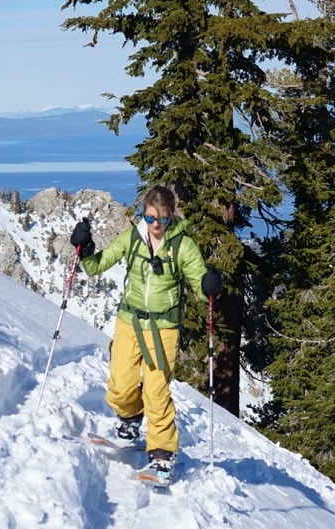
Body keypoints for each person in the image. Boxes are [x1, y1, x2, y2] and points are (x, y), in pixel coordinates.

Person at [69, 185, 221, 478]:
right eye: (151, 218)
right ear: (144, 215)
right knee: (120, 386)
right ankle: (129, 418)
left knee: (155, 391)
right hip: (129, 321)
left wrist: (209, 285)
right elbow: (96, 266)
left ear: (171, 216)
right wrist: (85, 247)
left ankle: (163, 452)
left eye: (163, 219)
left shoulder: (182, 246)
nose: (156, 226)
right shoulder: (132, 239)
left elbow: (201, 283)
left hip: (164, 327)